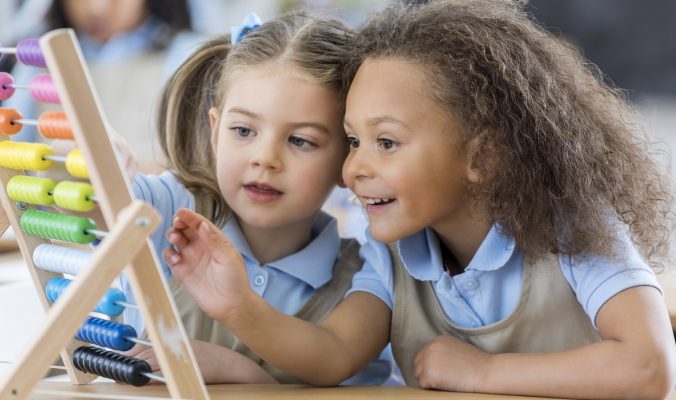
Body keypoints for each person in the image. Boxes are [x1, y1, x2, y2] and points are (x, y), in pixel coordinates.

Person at [161, 1, 676, 398]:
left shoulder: (571, 226)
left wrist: (484, 372)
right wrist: (239, 308)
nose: (355, 167)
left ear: (483, 157)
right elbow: (333, 353)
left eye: (386, 142)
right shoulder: (391, 250)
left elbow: (650, 368)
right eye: (353, 141)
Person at [121, 12, 393, 385]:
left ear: (348, 157)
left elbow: (343, 366)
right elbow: (91, 201)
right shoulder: (168, 209)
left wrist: (242, 374)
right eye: (243, 130)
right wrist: (91, 159)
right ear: (216, 133)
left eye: (301, 141)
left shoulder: (364, 280)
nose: (265, 157)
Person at [3, 0, 202, 170]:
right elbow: (11, 152)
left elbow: (197, 171)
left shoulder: (186, 56)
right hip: (50, 211)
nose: (98, 8)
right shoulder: (36, 60)